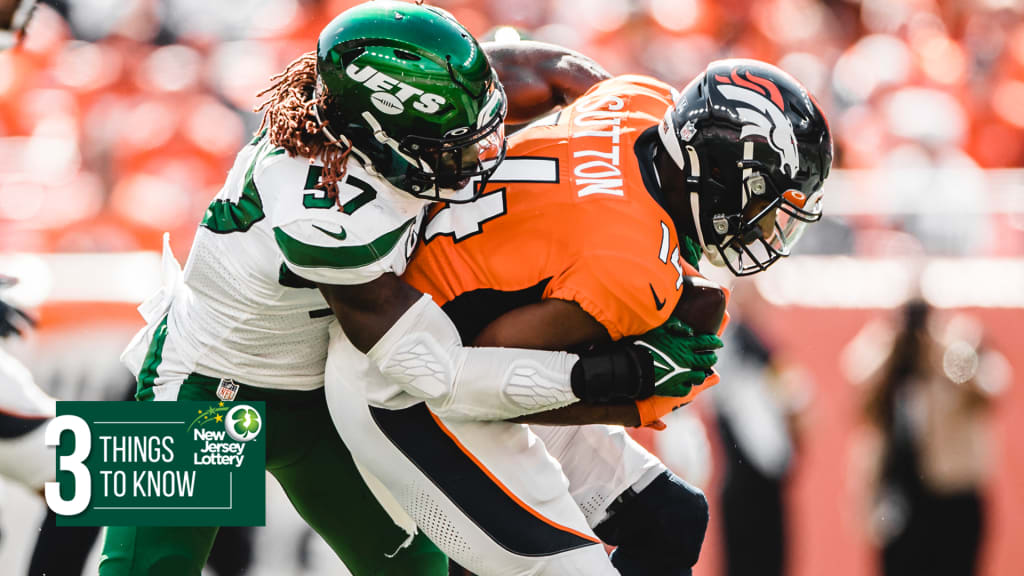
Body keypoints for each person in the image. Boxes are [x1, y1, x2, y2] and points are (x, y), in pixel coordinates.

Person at [103, 2, 705, 575]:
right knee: (148, 569)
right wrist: (606, 379)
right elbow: (437, 374)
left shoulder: (415, 102)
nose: (479, 157)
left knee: (418, 568)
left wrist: (647, 160)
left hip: (318, 399)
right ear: (379, 140)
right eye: (452, 147)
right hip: (209, 392)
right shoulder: (327, 216)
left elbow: (553, 75)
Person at [325, 57, 834, 575]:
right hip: (407, 382)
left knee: (670, 520)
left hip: (435, 338)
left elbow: (541, 67)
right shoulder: (631, 271)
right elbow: (490, 372)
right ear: (721, 171)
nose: (766, 225)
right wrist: (632, 386)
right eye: (764, 199)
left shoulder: (642, 99)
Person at [848, 299, 1009, 576]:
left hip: (954, 495)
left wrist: (946, 346)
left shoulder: (958, 346)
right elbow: (858, 386)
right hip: (900, 495)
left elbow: (992, 388)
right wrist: (893, 342)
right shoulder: (889, 356)